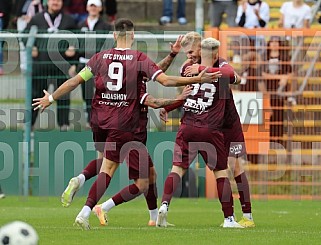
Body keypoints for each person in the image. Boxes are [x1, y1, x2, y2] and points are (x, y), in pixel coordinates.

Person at [32, 18, 216, 230]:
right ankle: (85, 212)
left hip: (99, 120)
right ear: (133, 35)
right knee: (111, 170)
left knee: (107, 164)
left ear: (113, 35)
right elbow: (164, 80)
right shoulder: (138, 59)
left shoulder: (99, 58)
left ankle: (84, 181)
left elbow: (74, 81)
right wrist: (197, 80)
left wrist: (51, 98)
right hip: (124, 123)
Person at [160, 32, 255, 228]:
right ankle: (229, 218)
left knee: (236, 167)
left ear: (201, 47)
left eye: (192, 52)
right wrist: (168, 106)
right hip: (210, 123)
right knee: (221, 170)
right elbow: (187, 94)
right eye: (186, 54)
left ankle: (248, 216)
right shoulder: (188, 67)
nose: (189, 57)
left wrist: (202, 68)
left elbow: (233, 76)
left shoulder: (220, 64)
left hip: (229, 124)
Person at [25, 0, 77, 131]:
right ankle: (29, 127)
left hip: (61, 67)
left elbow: (78, 39)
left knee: (63, 96)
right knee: (35, 96)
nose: (56, 2)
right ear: (47, 2)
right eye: (53, 0)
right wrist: (32, 46)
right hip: (41, 67)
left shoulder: (69, 20)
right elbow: (25, 35)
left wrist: (73, 47)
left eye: (59, 0)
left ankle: (63, 126)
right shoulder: (36, 19)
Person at [76, 0, 112, 127]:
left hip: (100, 65)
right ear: (87, 7)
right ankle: (89, 117)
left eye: (95, 6)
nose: (93, 8)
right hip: (84, 64)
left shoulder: (106, 26)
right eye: (91, 6)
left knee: (101, 91)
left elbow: (109, 45)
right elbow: (76, 45)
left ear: (100, 8)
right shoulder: (80, 24)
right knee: (86, 92)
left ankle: (101, 117)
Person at [262, 36, 292, 147]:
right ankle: (268, 138)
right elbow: (262, 74)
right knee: (268, 114)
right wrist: (280, 76)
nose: (274, 44)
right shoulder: (264, 57)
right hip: (267, 90)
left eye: (276, 42)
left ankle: (278, 139)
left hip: (280, 91)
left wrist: (282, 77)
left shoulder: (285, 57)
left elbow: (289, 73)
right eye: (272, 42)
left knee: (279, 114)